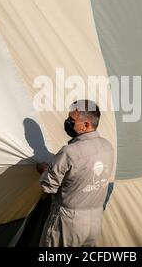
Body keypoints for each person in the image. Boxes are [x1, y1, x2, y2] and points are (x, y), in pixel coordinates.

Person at [36, 100, 114, 247]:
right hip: (95, 222)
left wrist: (45, 170)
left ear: (86, 125)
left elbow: (48, 187)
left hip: (68, 224)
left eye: (72, 120)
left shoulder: (69, 152)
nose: (67, 123)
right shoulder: (107, 147)